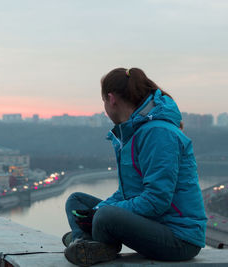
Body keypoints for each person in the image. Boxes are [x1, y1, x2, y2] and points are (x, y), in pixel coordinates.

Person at [63, 67, 207, 266]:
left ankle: (89, 243)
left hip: (179, 238)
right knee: (76, 202)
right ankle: (86, 243)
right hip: (154, 224)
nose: (104, 108)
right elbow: (126, 194)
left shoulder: (158, 133)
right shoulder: (131, 134)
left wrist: (100, 213)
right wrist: (96, 209)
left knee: (104, 216)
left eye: (103, 101)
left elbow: (157, 201)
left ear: (111, 99)